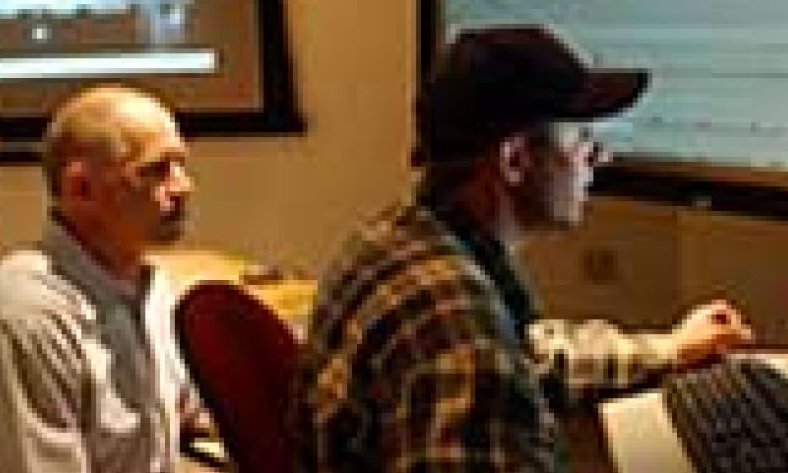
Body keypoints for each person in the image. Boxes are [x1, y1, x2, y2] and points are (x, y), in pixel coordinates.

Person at [294, 25, 755, 473]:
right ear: (514, 160)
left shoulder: (398, 241)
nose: (601, 157)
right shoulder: (460, 328)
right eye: (580, 140)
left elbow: (524, 358)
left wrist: (672, 350)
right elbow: (485, 358)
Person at [0, 85, 202, 473]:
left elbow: (183, 413)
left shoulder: (153, 293)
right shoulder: (22, 323)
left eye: (181, 166)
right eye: (155, 171)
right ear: (80, 189)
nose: (183, 187)